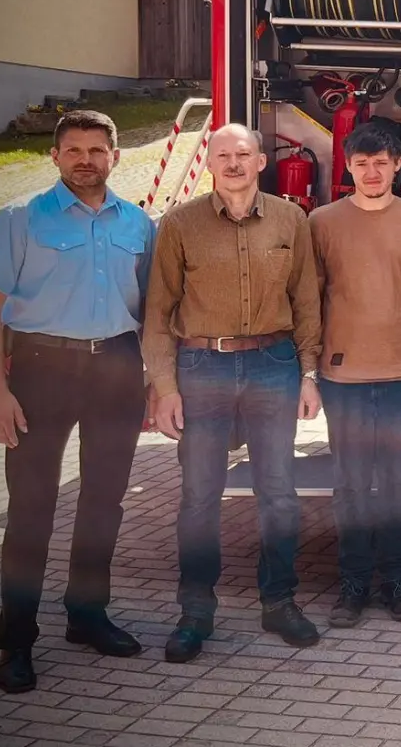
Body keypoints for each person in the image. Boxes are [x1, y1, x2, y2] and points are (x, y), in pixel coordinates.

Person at [0, 111, 154, 693]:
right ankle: (16, 641)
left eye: (97, 150)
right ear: (54, 156)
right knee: (31, 511)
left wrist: (153, 381)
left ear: (114, 156)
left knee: (104, 503)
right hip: (40, 368)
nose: (86, 159)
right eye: (74, 149)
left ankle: (86, 616)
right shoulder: (19, 219)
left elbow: (151, 311)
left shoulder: (139, 223)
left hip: (117, 367)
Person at [143, 123, 323, 663]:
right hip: (202, 366)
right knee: (199, 496)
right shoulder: (180, 224)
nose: (234, 164)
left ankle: (280, 601)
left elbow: (307, 301)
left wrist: (308, 373)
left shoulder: (292, 219)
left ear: (261, 161)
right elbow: (158, 313)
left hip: (273, 364)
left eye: (243, 154)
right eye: (223, 155)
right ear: (209, 163)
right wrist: (165, 387)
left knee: (279, 492)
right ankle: (195, 611)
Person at [309, 121, 401, 628]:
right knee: (350, 482)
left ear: (398, 166)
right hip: (342, 376)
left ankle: (398, 582)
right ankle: (352, 584)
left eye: (382, 162)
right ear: (347, 166)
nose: (372, 171)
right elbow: (311, 298)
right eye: (362, 163)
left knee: (396, 481)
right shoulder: (321, 223)